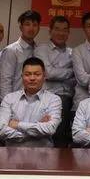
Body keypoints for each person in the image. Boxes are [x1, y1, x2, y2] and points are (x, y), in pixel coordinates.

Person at [0, 57, 62, 147]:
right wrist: (35, 132)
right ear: (22, 76)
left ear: (44, 76)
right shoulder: (9, 98)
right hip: (13, 153)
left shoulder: (53, 100)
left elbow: (50, 129)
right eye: (27, 74)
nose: (32, 78)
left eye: (37, 74)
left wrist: (17, 125)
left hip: (42, 153)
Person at [33, 15, 75, 147]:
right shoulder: (41, 49)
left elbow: (76, 80)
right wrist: (70, 72)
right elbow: (48, 73)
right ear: (50, 31)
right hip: (46, 99)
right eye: (57, 29)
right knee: (44, 138)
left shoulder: (72, 53)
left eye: (64, 30)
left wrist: (58, 72)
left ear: (68, 32)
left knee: (62, 139)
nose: (61, 33)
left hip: (68, 100)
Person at [0, 10, 41, 100]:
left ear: (39, 28)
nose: (31, 28)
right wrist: (6, 104)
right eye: (27, 24)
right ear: (21, 27)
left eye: (34, 25)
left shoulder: (39, 50)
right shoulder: (11, 50)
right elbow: (5, 81)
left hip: (36, 101)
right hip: (16, 101)